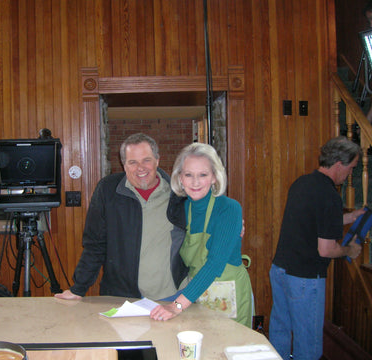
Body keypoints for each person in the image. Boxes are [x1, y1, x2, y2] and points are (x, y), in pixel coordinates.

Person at [55, 133, 188, 300]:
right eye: (133, 162)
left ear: (157, 160)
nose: (141, 168)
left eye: (146, 160)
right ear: (124, 165)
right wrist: (78, 289)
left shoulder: (178, 194)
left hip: (171, 296)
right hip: (122, 299)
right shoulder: (107, 191)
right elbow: (94, 245)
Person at [269, 136, 364, 360]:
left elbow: (314, 221)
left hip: (280, 270)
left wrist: (350, 217)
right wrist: (348, 251)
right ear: (339, 164)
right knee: (308, 345)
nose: (350, 174)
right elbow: (326, 250)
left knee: (280, 331)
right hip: (305, 279)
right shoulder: (330, 196)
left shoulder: (302, 183)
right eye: (351, 168)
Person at [150, 142, 254, 328]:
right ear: (180, 177)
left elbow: (214, 265)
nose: (195, 182)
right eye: (188, 175)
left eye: (203, 175)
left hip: (229, 294)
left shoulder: (229, 209)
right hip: (196, 292)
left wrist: (177, 306)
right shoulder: (179, 209)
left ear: (214, 177)